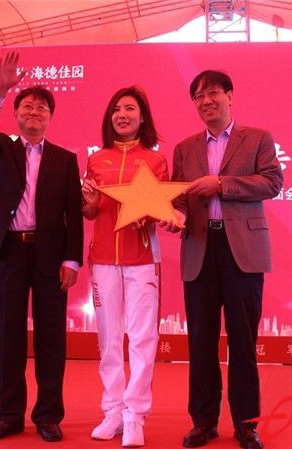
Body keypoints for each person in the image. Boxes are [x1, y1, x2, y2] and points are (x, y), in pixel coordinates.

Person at [160, 70, 283, 449]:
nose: (206, 101)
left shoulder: (257, 138)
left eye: (213, 93)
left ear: (230, 95)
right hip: (200, 248)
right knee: (200, 341)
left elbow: (272, 182)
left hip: (242, 251)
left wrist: (221, 184)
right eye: (198, 96)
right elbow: (180, 197)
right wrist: (175, 214)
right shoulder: (185, 148)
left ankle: (246, 424)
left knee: (243, 341)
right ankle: (204, 422)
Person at [0, 51, 83, 443]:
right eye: (27, 106)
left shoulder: (65, 160)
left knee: (51, 336)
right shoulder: (2, 149)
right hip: (11, 251)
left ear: (50, 117)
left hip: (50, 256)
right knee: (8, 335)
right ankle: (8, 415)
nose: (34, 111)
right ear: (16, 114)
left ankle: (48, 416)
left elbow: (73, 213)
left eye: (41, 107)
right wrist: (0, 91)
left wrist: (72, 260)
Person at [81, 86, 167, 447]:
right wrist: (88, 202)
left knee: (143, 338)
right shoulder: (96, 159)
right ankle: (113, 411)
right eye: (117, 109)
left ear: (142, 117)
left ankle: (135, 415)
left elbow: (160, 212)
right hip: (102, 259)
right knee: (109, 339)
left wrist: (150, 213)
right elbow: (90, 212)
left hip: (142, 260)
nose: (123, 115)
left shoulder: (156, 161)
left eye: (130, 109)